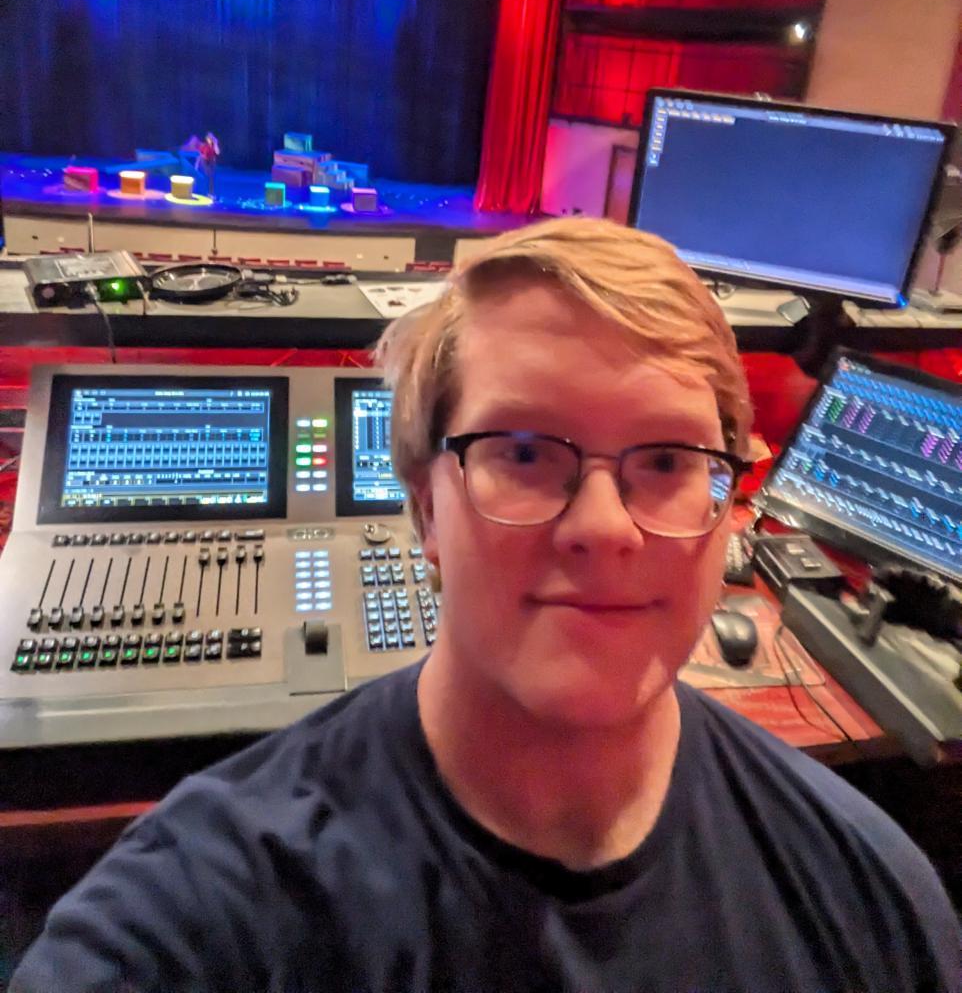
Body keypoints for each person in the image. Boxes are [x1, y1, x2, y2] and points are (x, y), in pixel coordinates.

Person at [12, 219, 960, 993]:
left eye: (669, 461)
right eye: (525, 452)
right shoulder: (191, 915)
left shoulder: (875, 893)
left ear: (726, 506)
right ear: (426, 507)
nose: (605, 528)